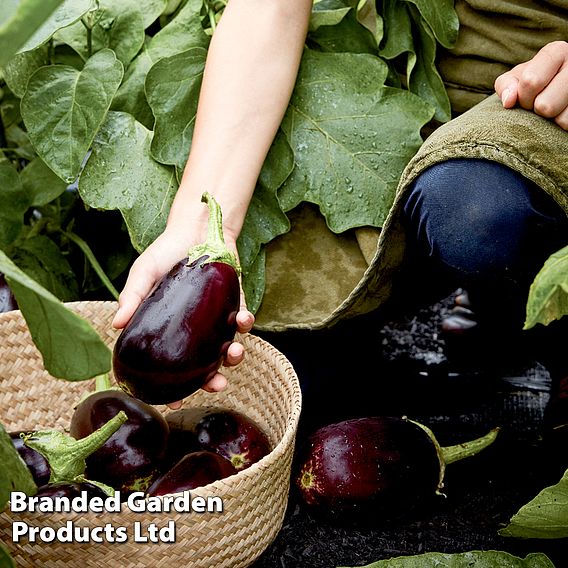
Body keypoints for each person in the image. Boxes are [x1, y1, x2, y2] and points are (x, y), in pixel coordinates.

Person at [112, 0, 567, 408]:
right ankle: (419, 314)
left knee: (473, 212)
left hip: (540, 102)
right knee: (292, 391)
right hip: (403, 68)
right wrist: (201, 223)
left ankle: (520, 333)